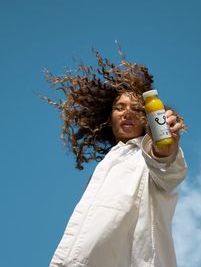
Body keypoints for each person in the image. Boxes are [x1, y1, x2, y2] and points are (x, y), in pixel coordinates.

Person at [44, 50, 187, 267]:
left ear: (147, 118)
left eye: (136, 109)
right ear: (108, 119)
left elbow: (168, 169)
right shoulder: (108, 164)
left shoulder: (146, 153)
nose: (126, 113)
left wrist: (166, 147)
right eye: (119, 108)